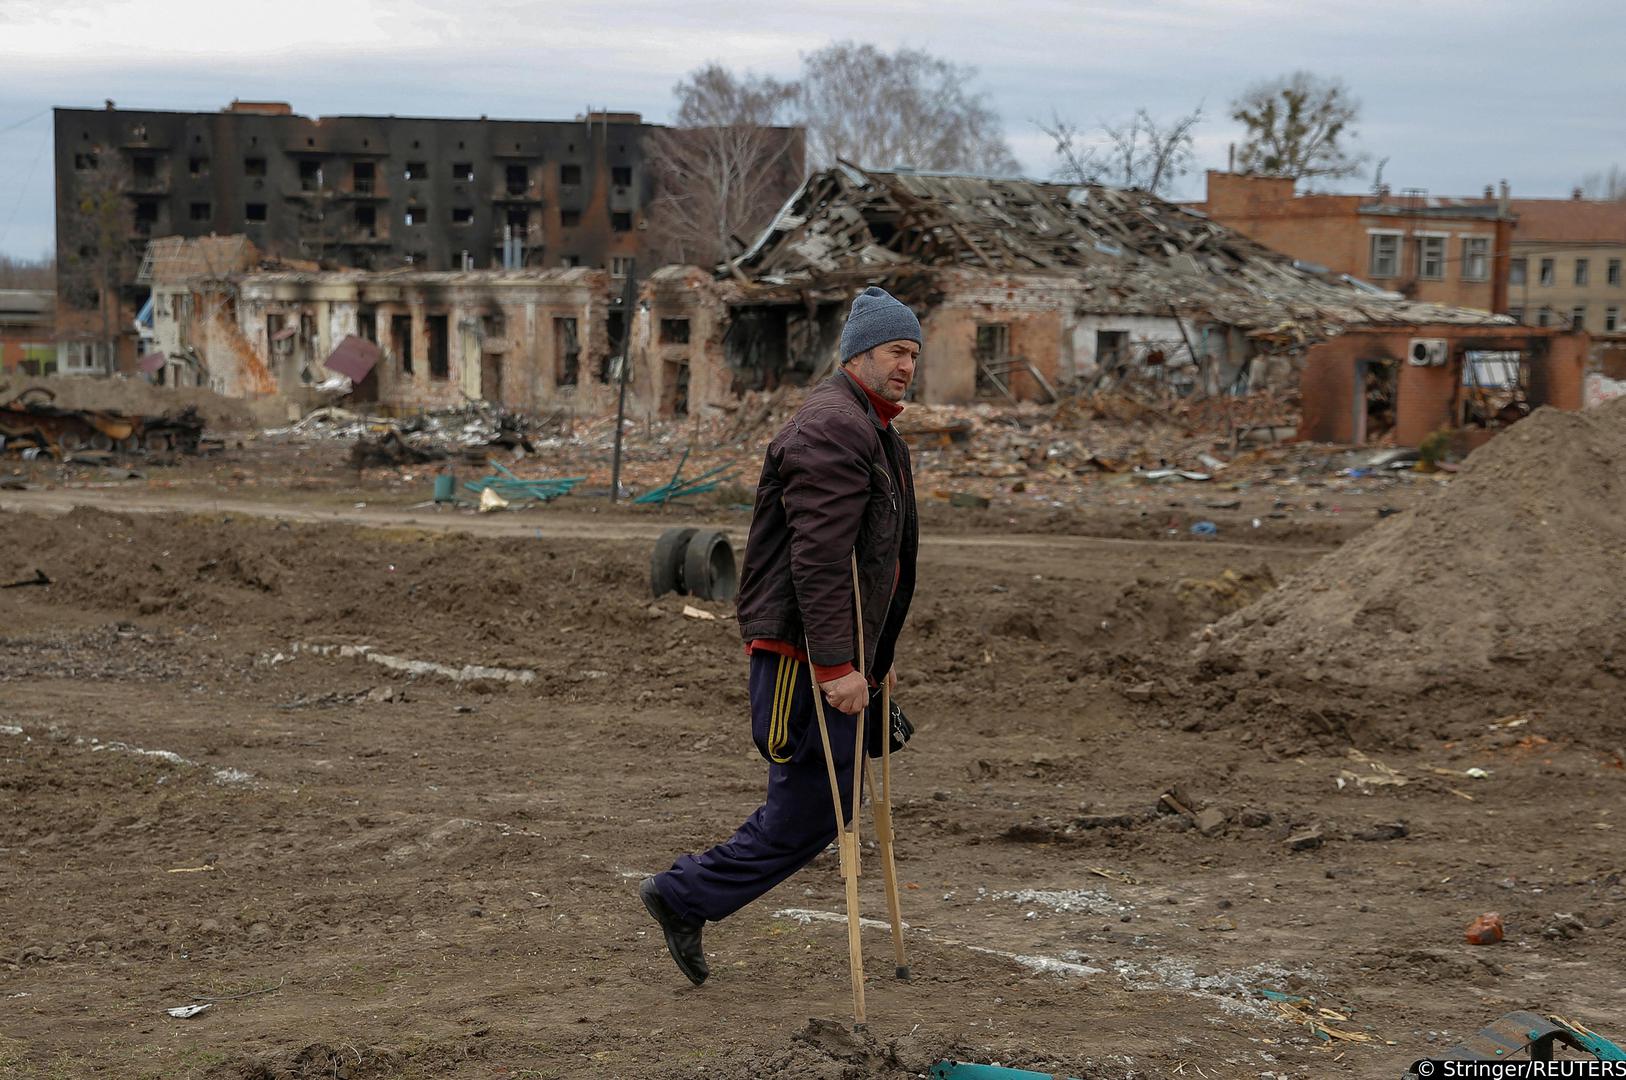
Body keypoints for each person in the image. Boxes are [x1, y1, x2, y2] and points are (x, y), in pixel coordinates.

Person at [639, 286, 922, 986]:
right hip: (805, 656)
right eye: (895, 351)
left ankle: (687, 896)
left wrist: (871, 666)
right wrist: (835, 667)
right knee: (808, 811)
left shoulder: (872, 426)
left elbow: (874, 558)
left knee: (820, 808)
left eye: (914, 353)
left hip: (836, 655)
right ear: (858, 354)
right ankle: (682, 895)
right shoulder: (832, 427)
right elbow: (820, 560)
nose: (907, 365)